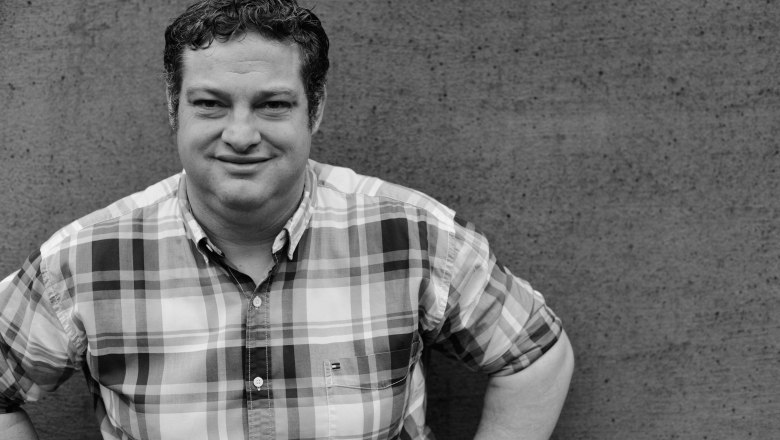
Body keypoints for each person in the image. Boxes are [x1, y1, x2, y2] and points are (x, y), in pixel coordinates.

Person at [0, 0, 574, 438]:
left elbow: (536, 356)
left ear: (314, 109)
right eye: (211, 104)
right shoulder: (85, 260)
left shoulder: (411, 235)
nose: (242, 135)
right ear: (173, 107)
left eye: (272, 104)